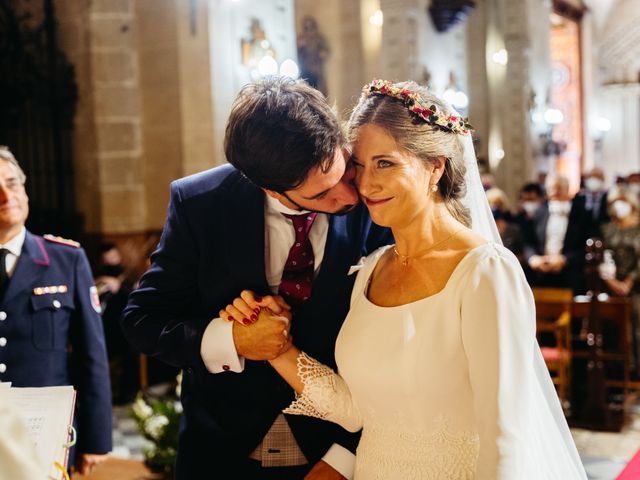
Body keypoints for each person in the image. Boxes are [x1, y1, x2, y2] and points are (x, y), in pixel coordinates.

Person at [224, 80, 586, 478]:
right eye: (358, 166)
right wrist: (276, 346)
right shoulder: (369, 271)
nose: (365, 184)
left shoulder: (484, 271)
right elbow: (357, 410)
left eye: (386, 163)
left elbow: (506, 437)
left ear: (435, 166)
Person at [122, 77, 392, 479]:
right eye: (321, 195)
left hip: (336, 447)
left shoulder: (377, 206)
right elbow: (141, 321)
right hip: (220, 451)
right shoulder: (200, 205)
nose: (350, 197)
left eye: (344, 172)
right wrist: (232, 339)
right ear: (271, 188)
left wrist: (344, 458)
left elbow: (394, 350)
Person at [0, 146, 112, 475]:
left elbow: (92, 354)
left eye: (13, 184)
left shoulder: (66, 259)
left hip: (44, 434)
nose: (7, 196)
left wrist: (96, 438)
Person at [600, 186, 640, 378]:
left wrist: (629, 282)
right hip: (612, 287)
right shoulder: (607, 229)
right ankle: (619, 374)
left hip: (636, 286)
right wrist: (612, 281)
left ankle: (636, 374)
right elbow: (603, 257)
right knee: (615, 330)